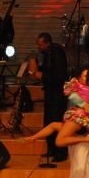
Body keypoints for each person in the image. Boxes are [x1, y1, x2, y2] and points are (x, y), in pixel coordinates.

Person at [33, 33, 68, 162]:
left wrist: (42, 75)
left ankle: (60, 152)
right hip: (50, 93)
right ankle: (51, 149)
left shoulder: (57, 53)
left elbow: (58, 75)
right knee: (48, 121)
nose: (39, 47)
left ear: (47, 43)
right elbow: (48, 69)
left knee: (56, 121)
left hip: (57, 94)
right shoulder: (47, 53)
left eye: (40, 44)